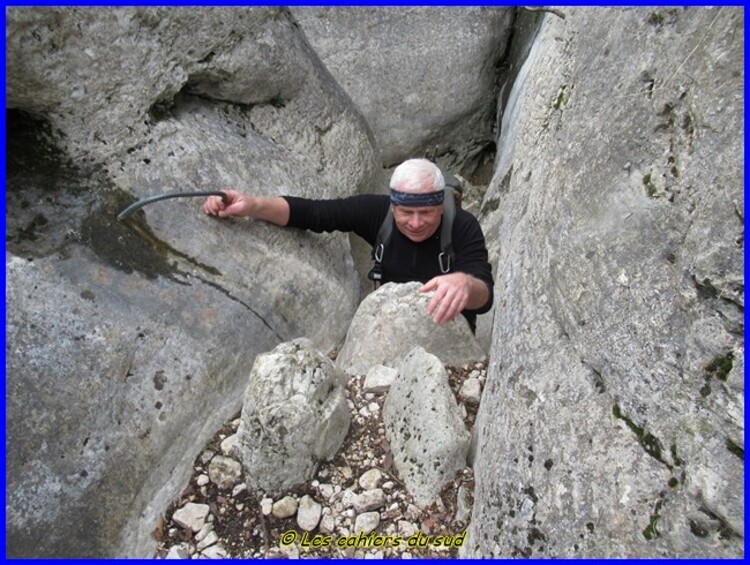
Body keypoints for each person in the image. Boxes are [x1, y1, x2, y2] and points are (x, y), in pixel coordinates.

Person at [202, 158, 493, 332]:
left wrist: (465, 283)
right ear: (393, 207)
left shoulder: (462, 226)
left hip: (452, 342)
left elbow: (484, 297)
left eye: (426, 213)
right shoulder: (376, 212)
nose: (416, 223)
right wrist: (251, 205)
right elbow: (314, 214)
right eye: (406, 213)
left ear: (440, 207)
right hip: (389, 332)